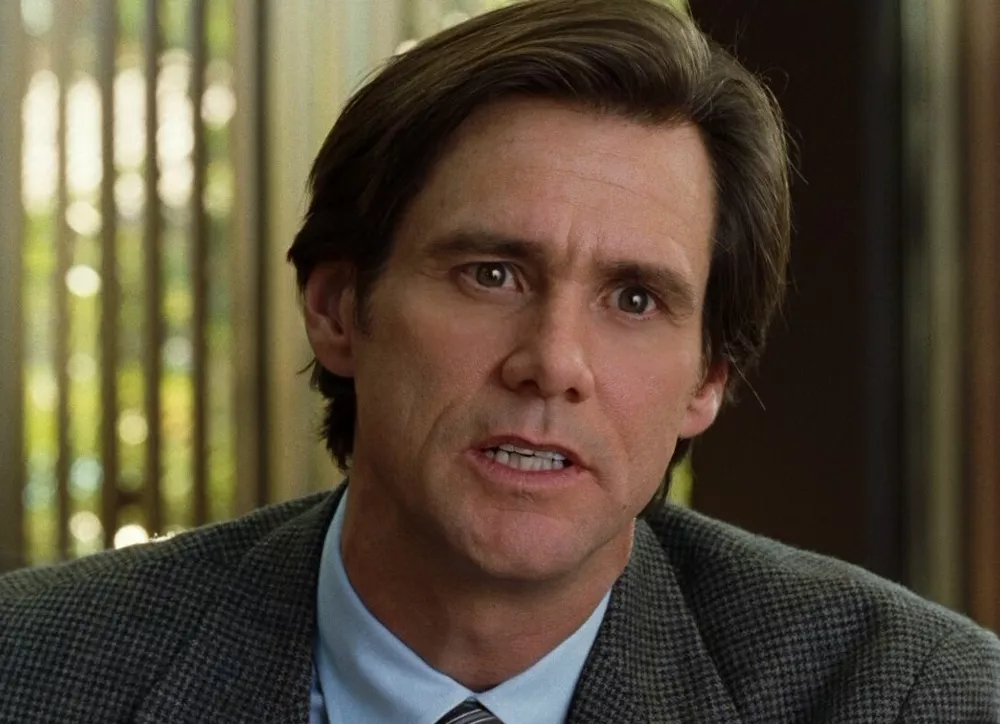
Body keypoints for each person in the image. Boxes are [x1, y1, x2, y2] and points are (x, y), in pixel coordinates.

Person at [2, 0, 998, 721]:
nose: (553, 362)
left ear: (706, 381)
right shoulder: (34, 671)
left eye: (634, 299)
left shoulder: (910, 695)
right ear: (338, 309)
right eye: (492, 274)